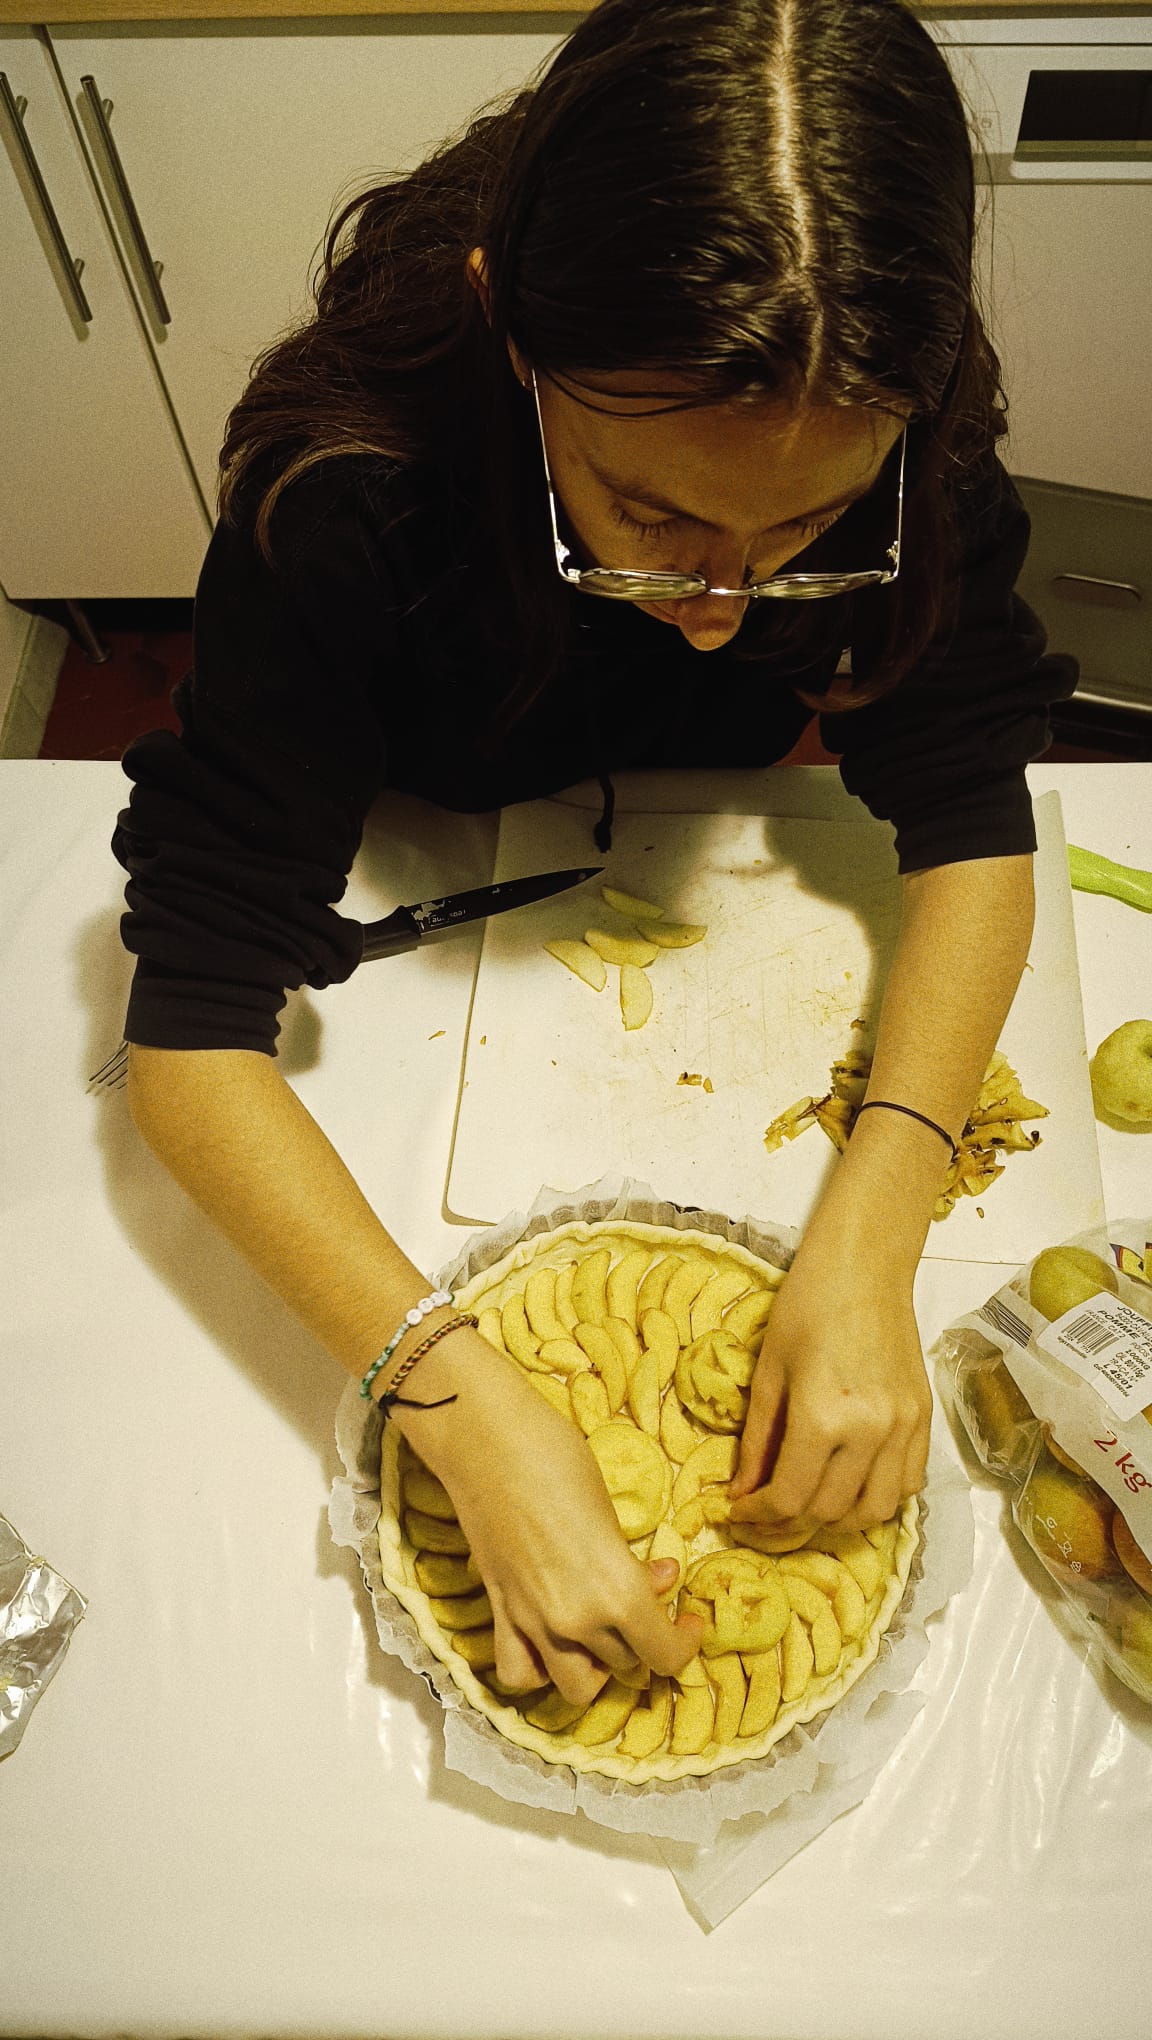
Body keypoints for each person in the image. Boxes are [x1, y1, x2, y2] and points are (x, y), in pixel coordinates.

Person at [113, 0, 1077, 1709]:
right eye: (651, 520)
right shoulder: (350, 491)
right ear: (510, 336)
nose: (721, 616)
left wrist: (873, 1227)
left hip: (684, 818)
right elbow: (189, 1041)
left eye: (805, 539)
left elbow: (977, 812)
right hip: (419, 797)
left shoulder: (893, 418)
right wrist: (457, 1399)